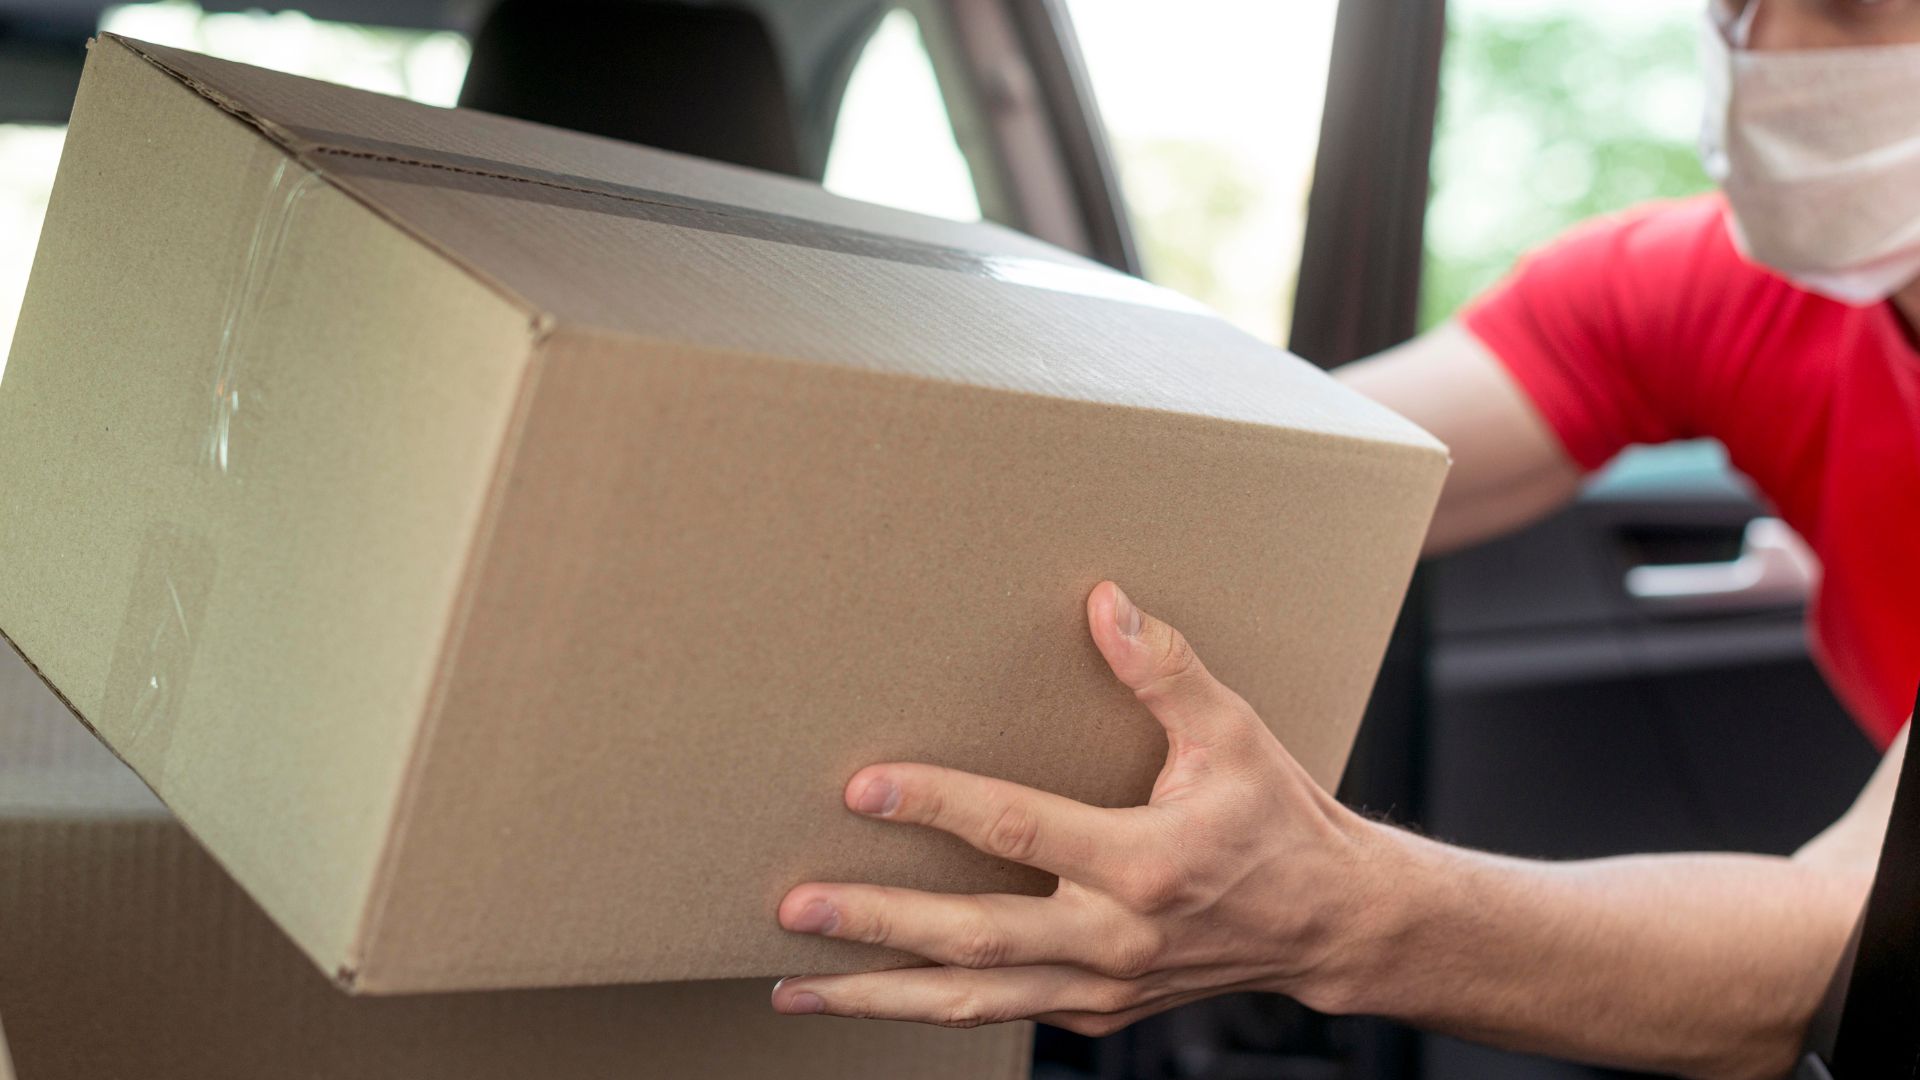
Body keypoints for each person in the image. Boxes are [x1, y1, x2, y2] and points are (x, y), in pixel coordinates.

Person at [766, 1, 1920, 1076]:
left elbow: (1859, 939)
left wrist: (1341, 911)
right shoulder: (1722, 293)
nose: (1764, 47)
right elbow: (1271, 478)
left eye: (1845, 1)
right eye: (1732, 5)